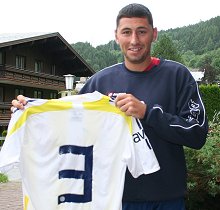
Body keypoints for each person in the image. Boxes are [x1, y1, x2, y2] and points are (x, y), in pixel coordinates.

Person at [11, 3, 208, 210]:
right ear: (116, 36)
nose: (134, 40)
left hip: (167, 199)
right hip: (112, 199)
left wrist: (147, 113)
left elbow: (197, 134)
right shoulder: (99, 82)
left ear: (154, 34)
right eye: (126, 32)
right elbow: (69, 125)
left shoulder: (178, 76)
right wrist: (30, 112)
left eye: (142, 31)